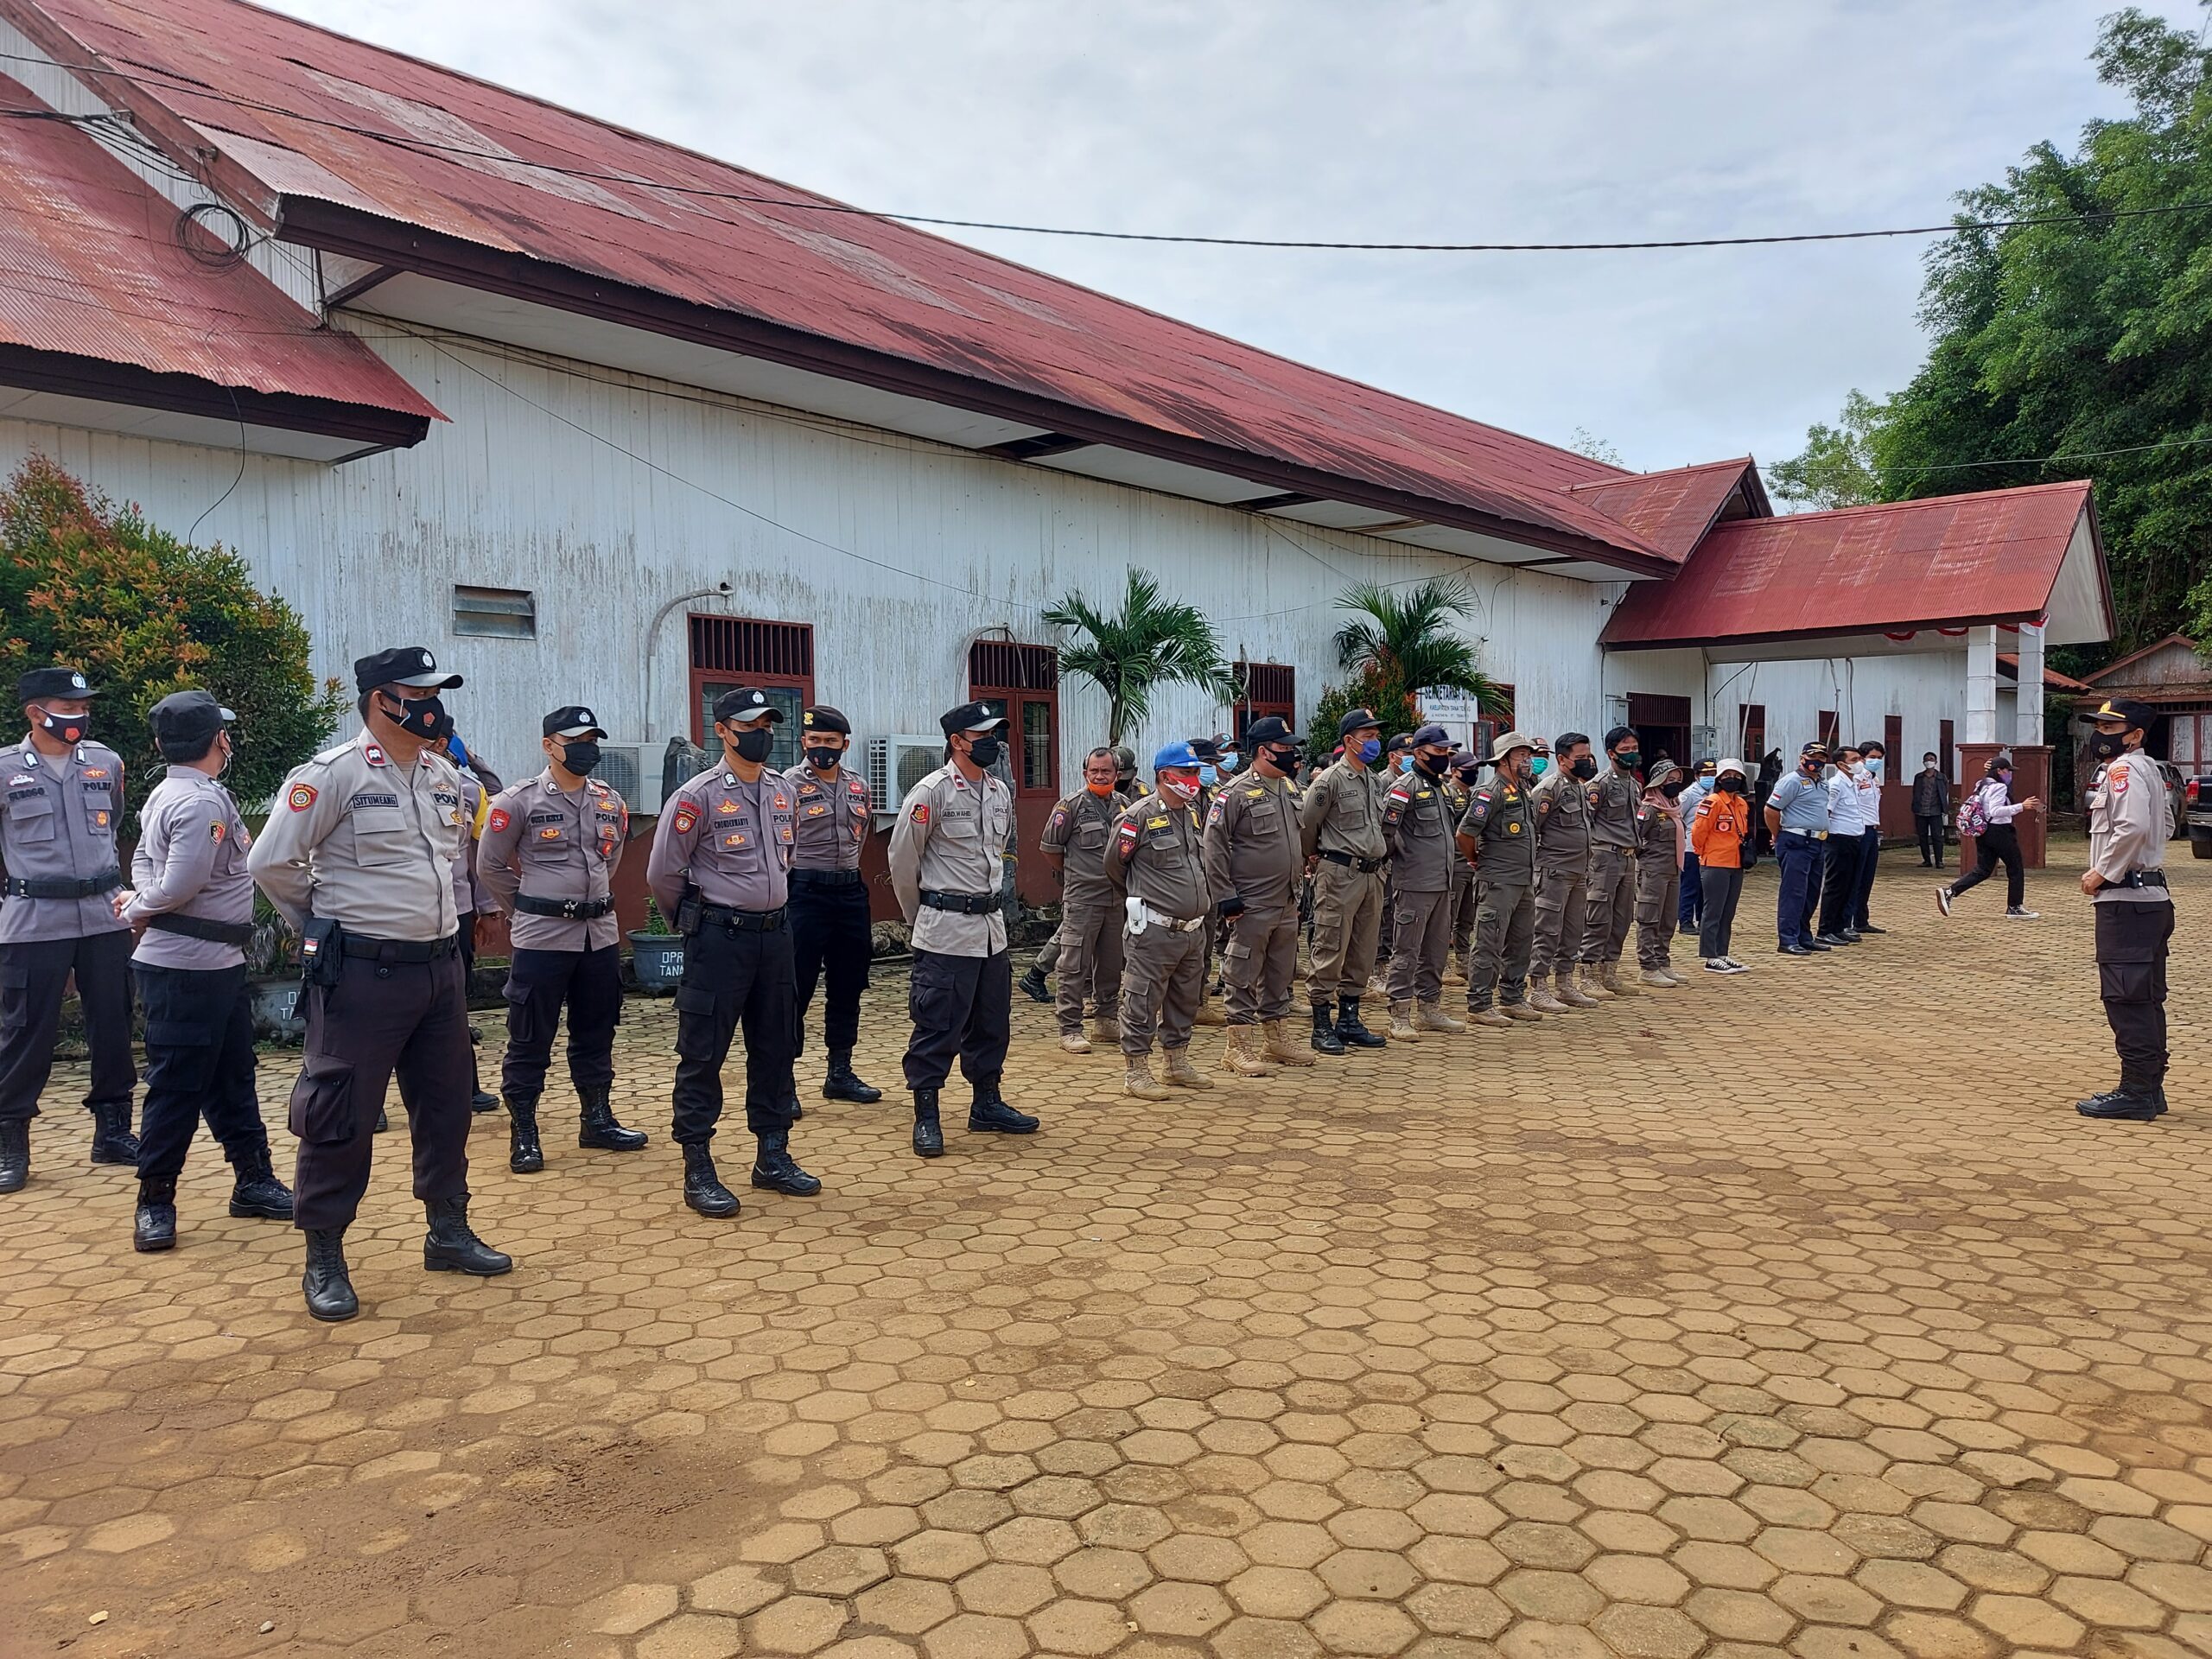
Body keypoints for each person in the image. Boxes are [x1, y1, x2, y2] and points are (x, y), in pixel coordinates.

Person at [251, 646, 510, 1321]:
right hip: (363, 974)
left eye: (437, 691)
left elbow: (454, 863)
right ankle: (325, 1256)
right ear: (381, 700)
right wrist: (325, 923)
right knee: (338, 1115)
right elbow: (272, 862)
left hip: (438, 971)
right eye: (419, 693)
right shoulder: (331, 775)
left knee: (448, 1107)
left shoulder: (444, 776)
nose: (433, 704)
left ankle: (447, 1232)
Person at [118, 691, 291, 1250]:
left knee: (231, 1074)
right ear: (219, 739)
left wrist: (141, 898)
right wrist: (140, 907)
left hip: (215, 966)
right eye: (226, 733)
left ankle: (253, 1179)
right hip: (186, 969)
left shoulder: (173, 794)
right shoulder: (197, 804)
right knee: (177, 1085)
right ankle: (155, 1199)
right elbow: (181, 882)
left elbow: (146, 864)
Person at [648, 688, 818, 1214]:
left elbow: (784, 863)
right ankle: (698, 1165)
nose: (761, 733)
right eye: (749, 724)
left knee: (775, 1047)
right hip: (719, 940)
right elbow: (662, 874)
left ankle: (773, 1154)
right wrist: (697, 924)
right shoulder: (696, 796)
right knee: (703, 1054)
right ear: (722, 730)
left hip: (776, 937)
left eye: (768, 723)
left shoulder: (782, 791)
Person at [478, 705, 645, 1178]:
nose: (586, 748)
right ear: (550, 745)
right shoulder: (517, 802)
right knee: (530, 1036)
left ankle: (596, 1119)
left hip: (600, 936)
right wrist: (531, 908)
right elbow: (489, 868)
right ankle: (525, 1130)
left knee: (597, 1030)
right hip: (542, 940)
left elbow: (609, 864)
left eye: (592, 739)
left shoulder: (610, 800)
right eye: (575, 739)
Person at [0, 665, 138, 1196]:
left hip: (103, 914)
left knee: (113, 1024)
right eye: (69, 707)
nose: (79, 716)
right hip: (33, 921)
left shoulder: (105, 762)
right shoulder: (6, 768)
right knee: (25, 1033)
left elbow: (118, 826)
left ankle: (113, 1132)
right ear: (36, 712)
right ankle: (12, 1143)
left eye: (83, 707)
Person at [887, 702, 1039, 1157]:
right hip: (945, 928)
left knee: (992, 1021)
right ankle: (927, 1115)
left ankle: (986, 1103)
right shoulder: (931, 792)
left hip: (991, 930)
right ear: (957, 742)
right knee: (938, 1023)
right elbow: (901, 862)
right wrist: (923, 919)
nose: (992, 742)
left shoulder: (997, 791)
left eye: (995, 733)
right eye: (983, 735)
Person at [2073, 698, 2175, 1122]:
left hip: (2126, 900)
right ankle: (2149, 1088)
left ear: (2135, 735)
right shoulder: (2151, 770)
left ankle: (2136, 1091)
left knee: (2126, 998)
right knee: (2146, 998)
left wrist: (2103, 871)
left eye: (2112, 729)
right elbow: (2165, 825)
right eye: (2099, 726)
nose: (2102, 734)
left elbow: (2132, 827)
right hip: (2151, 900)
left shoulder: (2122, 770)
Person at [1103, 743, 1217, 1098]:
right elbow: (1114, 865)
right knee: (1142, 999)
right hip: (1154, 929)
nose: (1194, 779)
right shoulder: (1136, 815)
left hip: (1192, 930)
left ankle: (1176, 1062)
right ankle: (1136, 1071)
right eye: (1186, 773)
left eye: (1196, 772)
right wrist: (1148, 899)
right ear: (1165, 776)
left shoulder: (1191, 813)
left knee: (1185, 999)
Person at [1203, 715, 1313, 1077]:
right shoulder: (1233, 793)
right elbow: (1214, 847)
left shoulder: (1289, 789)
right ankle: (1238, 1047)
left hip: (1286, 899)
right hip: (1251, 900)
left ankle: (1276, 1039)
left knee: (1280, 971)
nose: (1291, 755)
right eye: (1284, 749)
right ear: (1264, 751)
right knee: (1242, 970)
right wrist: (1225, 896)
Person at [782, 705, 881, 1104]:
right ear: (804, 742)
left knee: (849, 984)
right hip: (803, 892)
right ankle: (782, 1080)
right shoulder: (785, 784)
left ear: (845, 744)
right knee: (795, 987)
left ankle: (840, 1071)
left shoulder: (859, 786)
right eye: (815, 741)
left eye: (831, 741)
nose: (823, 748)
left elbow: (863, 833)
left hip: (849, 893)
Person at [1297, 708, 1389, 1054]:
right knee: (1330, 945)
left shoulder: (1372, 779)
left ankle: (1349, 1020)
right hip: (1339, 874)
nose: (1374, 742)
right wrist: (1316, 858)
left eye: (1376, 736)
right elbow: (1308, 826)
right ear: (1349, 741)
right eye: (1368, 736)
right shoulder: (1330, 780)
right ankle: (1322, 1025)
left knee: (1363, 950)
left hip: (1371, 875)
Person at [1039, 747, 1128, 1054]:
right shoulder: (1071, 806)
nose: (1100, 776)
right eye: (1094, 771)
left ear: (1117, 775)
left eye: (1106, 771)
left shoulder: (1126, 807)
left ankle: (1106, 1019)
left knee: (1111, 963)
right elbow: (1051, 848)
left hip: (1117, 898)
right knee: (1074, 964)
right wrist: (1074, 873)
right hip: (1083, 898)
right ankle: (1070, 1027)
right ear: (1085, 773)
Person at [1382, 724, 1465, 1036]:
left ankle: (1429, 1009)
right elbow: (1386, 834)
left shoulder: (1442, 788)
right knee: (1407, 951)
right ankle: (1399, 1013)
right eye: (1438, 751)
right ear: (1419, 753)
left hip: (1443, 882)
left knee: (1436, 950)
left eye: (1446, 752)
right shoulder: (1405, 787)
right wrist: (1401, 865)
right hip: (1414, 882)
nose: (1444, 757)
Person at [1456, 731, 1542, 1027]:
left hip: (1523, 879)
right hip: (1497, 880)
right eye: (1521, 755)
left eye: (1527, 755)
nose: (1527, 760)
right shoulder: (1489, 792)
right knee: (1489, 942)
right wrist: (1476, 859)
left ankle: (1512, 998)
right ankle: (1479, 1004)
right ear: (1504, 759)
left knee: (1521, 942)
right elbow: (1465, 834)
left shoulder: (1522, 789)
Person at [1529, 732, 1599, 1012]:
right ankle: (1538, 987)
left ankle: (1565, 983)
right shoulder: (1548, 788)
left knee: (1573, 931)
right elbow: (1532, 829)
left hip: (1579, 871)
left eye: (1586, 756)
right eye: (1579, 758)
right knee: (1547, 930)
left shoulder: (1579, 788)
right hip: (1553, 872)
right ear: (1562, 759)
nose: (1585, 762)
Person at [1578, 726, 1644, 996]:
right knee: (1598, 916)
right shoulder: (1600, 784)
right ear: (1611, 753)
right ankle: (1588, 973)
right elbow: (1586, 821)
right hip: (1604, 856)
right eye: (1625, 750)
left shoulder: (1634, 784)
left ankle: (1609, 971)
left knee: (1622, 917)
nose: (1631, 754)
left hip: (1629, 857)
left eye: (1634, 749)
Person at [1936, 753, 2042, 919]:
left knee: (1983, 869)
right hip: (2000, 831)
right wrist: (2022, 806)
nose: (2010, 774)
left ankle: (1950, 892)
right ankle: (2015, 907)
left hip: (1984, 831)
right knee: (2015, 868)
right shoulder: (1999, 787)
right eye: (2008, 771)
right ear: (1999, 771)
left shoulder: (1982, 784)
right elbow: (1995, 811)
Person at [1764, 741, 1833, 957]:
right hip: (1795, 841)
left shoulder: (1823, 783)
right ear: (1802, 757)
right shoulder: (1791, 781)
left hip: (1817, 842)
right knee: (1793, 892)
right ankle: (1788, 939)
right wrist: (1778, 834)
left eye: (1822, 758)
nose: (1818, 761)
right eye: (1814, 756)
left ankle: (1804, 935)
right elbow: (1771, 810)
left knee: (1811, 892)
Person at [1690, 759, 1753, 972]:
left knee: (1728, 911)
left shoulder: (1742, 804)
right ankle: (1710, 956)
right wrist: (1704, 854)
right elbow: (1698, 833)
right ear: (1719, 779)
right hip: (1715, 862)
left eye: (1736, 777)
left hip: (1736, 864)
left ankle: (1722, 953)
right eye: (1727, 776)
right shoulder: (1712, 802)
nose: (1731, 780)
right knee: (1713, 910)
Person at [1633, 759, 1687, 987]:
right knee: (1649, 918)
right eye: (1669, 780)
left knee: (1668, 918)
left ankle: (1662, 961)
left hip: (1673, 869)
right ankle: (1648, 967)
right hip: (1653, 870)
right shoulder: (1650, 809)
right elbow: (1636, 837)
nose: (1674, 784)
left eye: (1677, 781)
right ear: (1658, 783)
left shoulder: (1675, 807)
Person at [1816, 744, 1866, 946]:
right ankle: (1825, 929)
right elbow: (1826, 812)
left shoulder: (1852, 783)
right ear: (1841, 764)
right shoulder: (1835, 784)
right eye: (1854, 760)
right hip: (1838, 840)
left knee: (1849, 886)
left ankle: (1839, 927)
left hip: (1854, 839)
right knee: (1835, 887)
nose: (1859, 763)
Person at [1443, 753, 1482, 983]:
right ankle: (1442, 963)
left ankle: (1462, 960)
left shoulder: (1474, 795)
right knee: (1448, 915)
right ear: (1456, 770)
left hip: (1473, 863)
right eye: (1469, 769)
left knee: (1467, 916)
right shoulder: (1447, 793)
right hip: (1455, 863)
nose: (1473, 773)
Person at [1850, 739, 1888, 935]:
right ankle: (1847, 922)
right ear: (1862, 758)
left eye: (1880, 758)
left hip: (1872, 830)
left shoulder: (1874, 779)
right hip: (1858, 830)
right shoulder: (1856, 778)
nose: (1877, 761)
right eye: (1872, 757)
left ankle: (1861, 920)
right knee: (1854, 876)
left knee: (1867, 877)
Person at [1676, 759, 1716, 935]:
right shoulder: (1688, 794)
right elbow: (1678, 817)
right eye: (1706, 774)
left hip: (1710, 848)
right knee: (1689, 886)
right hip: (1690, 847)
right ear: (1697, 775)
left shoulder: (1715, 792)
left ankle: (1702, 920)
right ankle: (1685, 921)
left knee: (1705, 888)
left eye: (1712, 774)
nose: (1710, 777)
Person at [1912, 753, 1950, 869]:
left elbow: (1945, 792)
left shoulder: (1941, 777)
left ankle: (1939, 861)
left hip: (1936, 811)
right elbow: (1915, 792)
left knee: (1937, 837)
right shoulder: (1919, 777)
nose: (1929, 761)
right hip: (1920, 811)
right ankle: (1926, 860)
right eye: (1927, 759)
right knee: (1922, 836)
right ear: (1923, 762)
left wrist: (1944, 808)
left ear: (1936, 762)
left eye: (1931, 759)